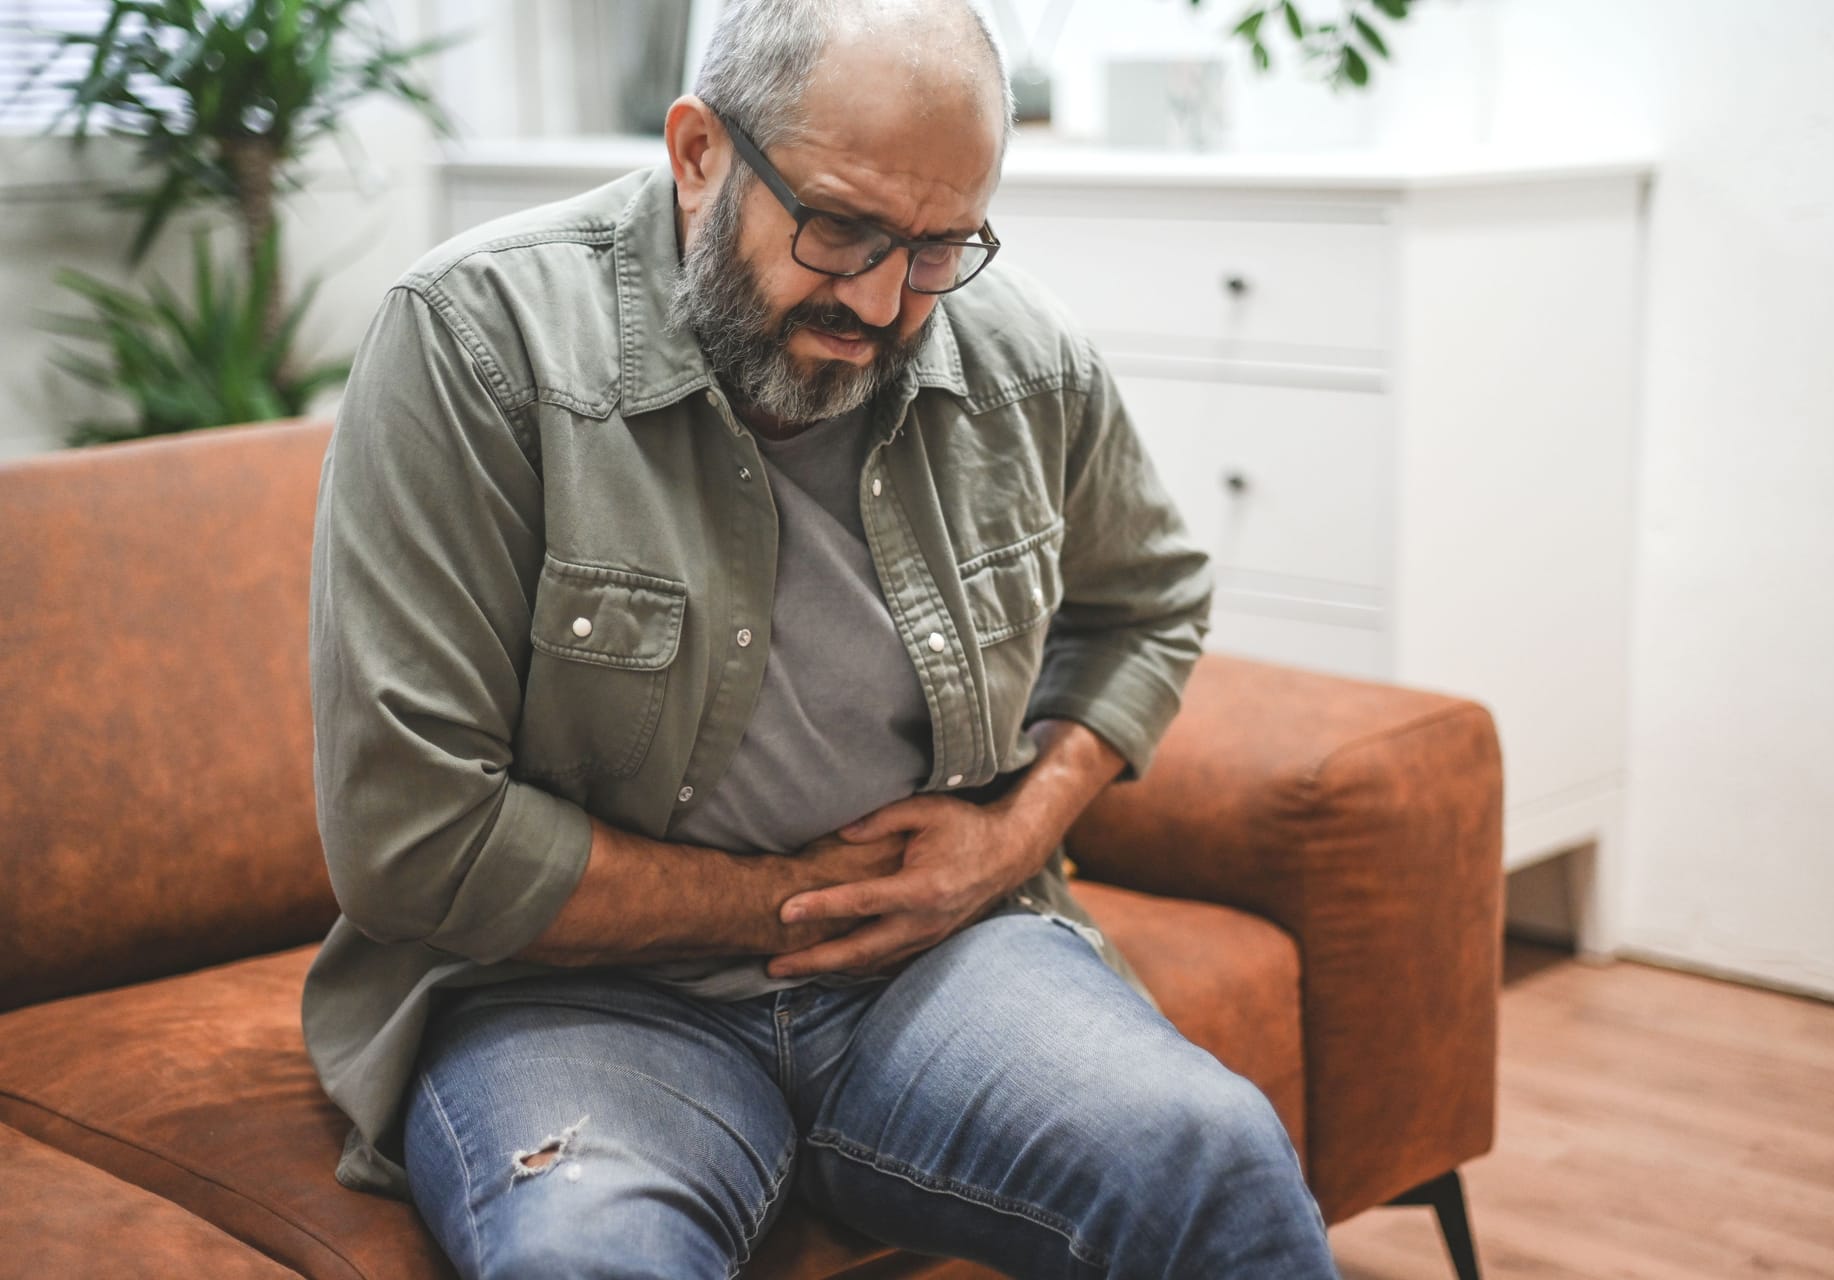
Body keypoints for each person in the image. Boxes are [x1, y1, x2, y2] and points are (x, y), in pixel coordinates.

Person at [303, 0, 1342, 1275]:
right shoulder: (477, 345)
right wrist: (801, 903)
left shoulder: (1017, 354)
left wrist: (1008, 837)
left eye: (938, 244)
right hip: (568, 995)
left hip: (935, 967)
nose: (884, 299)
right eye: (840, 227)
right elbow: (413, 836)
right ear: (697, 154)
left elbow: (1151, 604)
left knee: (1214, 1155)